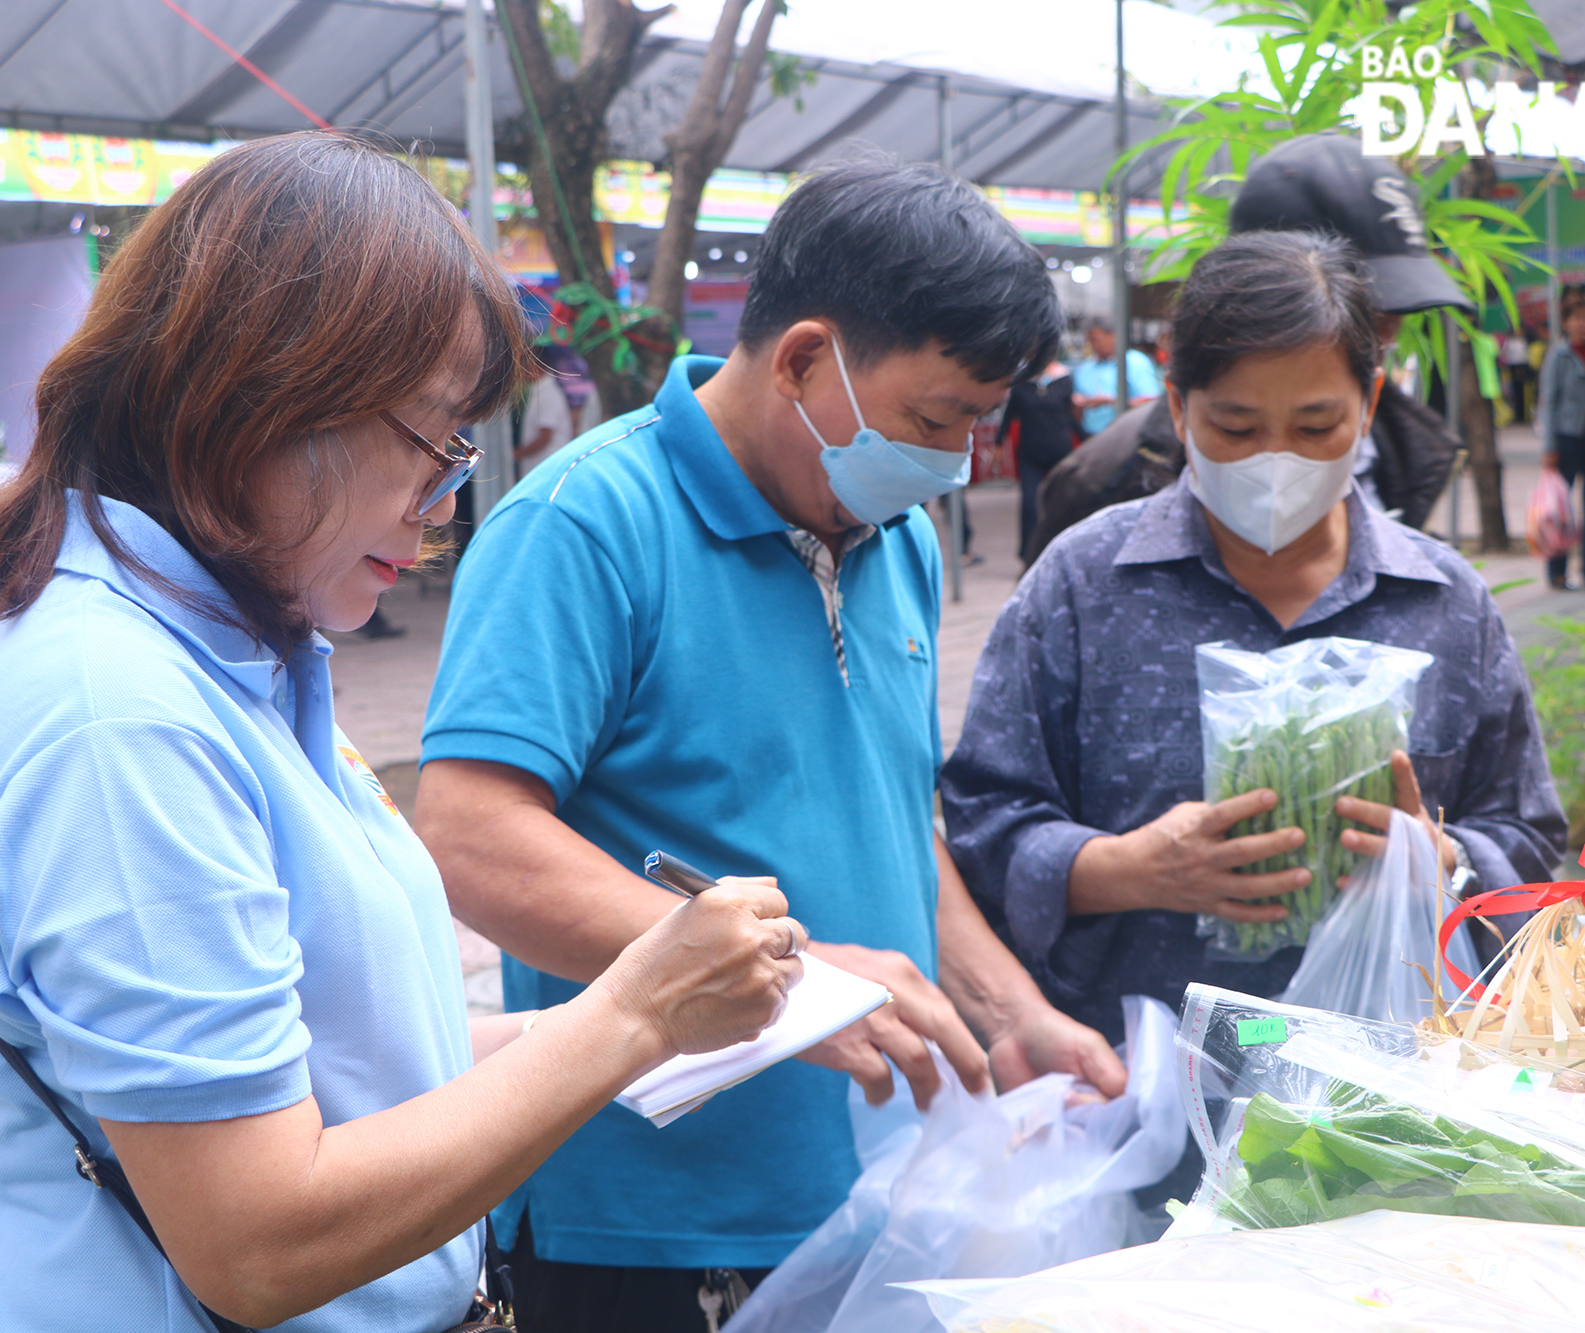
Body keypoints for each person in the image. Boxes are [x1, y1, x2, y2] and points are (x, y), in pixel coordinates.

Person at [0, 132, 805, 1333]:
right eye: (432, 439)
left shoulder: (224, 656)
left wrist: (613, 1025)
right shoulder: (118, 720)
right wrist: (628, 1014)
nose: (444, 499)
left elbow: (335, 1061)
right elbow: (259, 1241)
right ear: (267, 398)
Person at [416, 161, 1127, 1333]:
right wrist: (801, 987)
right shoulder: (585, 526)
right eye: (930, 419)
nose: (950, 463)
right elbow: (469, 838)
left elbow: (894, 820)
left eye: (973, 428)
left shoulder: (893, 536)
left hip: (875, 1193)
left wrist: (1009, 1013)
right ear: (802, 359)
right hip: (655, 1221)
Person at [940, 232, 1565, 1195]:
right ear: (1177, 408)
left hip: (1387, 1129)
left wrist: (1438, 860)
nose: (1276, 460)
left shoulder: (1443, 602)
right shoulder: (1083, 585)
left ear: (1370, 403)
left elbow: (1526, 840)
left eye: (1316, 426)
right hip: (1125, 1114)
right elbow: (981, 821)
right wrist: (1128, 869)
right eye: (1235, 427)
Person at [1024, 133, 1464, 563]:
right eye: (1236, 430)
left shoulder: (1406, 446)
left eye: (1319, 427)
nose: (1387, 331)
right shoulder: (1110, 478)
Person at [1534, 298, 1585, 590]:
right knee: (1561, 507)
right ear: (1566, 323)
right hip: (1567, 436)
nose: (1583, 323)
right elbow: (1548, 402)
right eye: (1577, 318)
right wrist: (1548, 447)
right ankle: (1557, 570)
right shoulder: (1559, 355)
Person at [1001, 359, 1074, 559]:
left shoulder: (1064, 379)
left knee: (1062, 503)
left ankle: (1063, 550)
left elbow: (1072, 417)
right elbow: (1009, 415)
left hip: (1060, 451)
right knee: (1030, 506)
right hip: (1030, 453)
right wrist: (999, 443)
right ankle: (1029, 555)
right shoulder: (1022, 383)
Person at [1069, 318, 1160, 440]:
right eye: (1089, 341)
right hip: (1091, 438)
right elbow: (1076, 414)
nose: (1093, 346)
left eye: (1096, 340)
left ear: (1113, 336)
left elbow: (1150, 403)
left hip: (1127, 438)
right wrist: (1079, 404)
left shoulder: (1136, 363)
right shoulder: (1084, 369)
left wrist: (1113, 401)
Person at [513, 359, 575, 476]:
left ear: (535, 368)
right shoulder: (540, 392)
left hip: (548, 466)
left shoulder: (549, 395)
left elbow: (545, 437)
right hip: (541, 466)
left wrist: (514, 455)